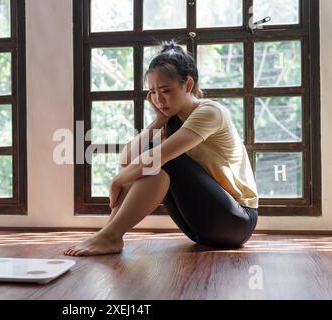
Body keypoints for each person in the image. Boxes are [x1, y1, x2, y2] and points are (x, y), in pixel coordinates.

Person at [64, 40, 259, 256]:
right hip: (198, 229)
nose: (159, 99)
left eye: (165, 90)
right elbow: (128, 158)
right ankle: (109, 233)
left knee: (163, 159)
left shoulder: (210, 112)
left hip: (236, 222)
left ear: (188, 85)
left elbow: (157, 158)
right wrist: (157, 122)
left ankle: (110, 236)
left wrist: (117, 180)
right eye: (153, 92)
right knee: (150, 156)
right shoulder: (171, 121)